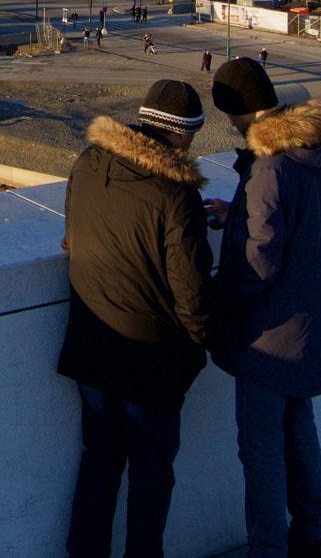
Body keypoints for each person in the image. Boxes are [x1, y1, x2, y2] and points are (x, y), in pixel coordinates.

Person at [57, 80, 217, 558]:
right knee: (151, 476)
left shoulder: (88, 163)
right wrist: (203, 345)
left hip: (93, 351)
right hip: (152, 364)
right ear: (184, 136)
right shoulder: (177, 193)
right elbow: (192, 294)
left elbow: (71, 244)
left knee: (99, 463)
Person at [209, 59, 321, 558]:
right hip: (307, 321)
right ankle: (310, 538)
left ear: (237, 111)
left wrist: (219, 301)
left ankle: (267, 549)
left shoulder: (268, 165)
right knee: (300, 433)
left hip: (268, 336)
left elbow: (258, 260)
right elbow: (295, 220)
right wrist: (237, 211)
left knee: (261, 450)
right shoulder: (312, 149)